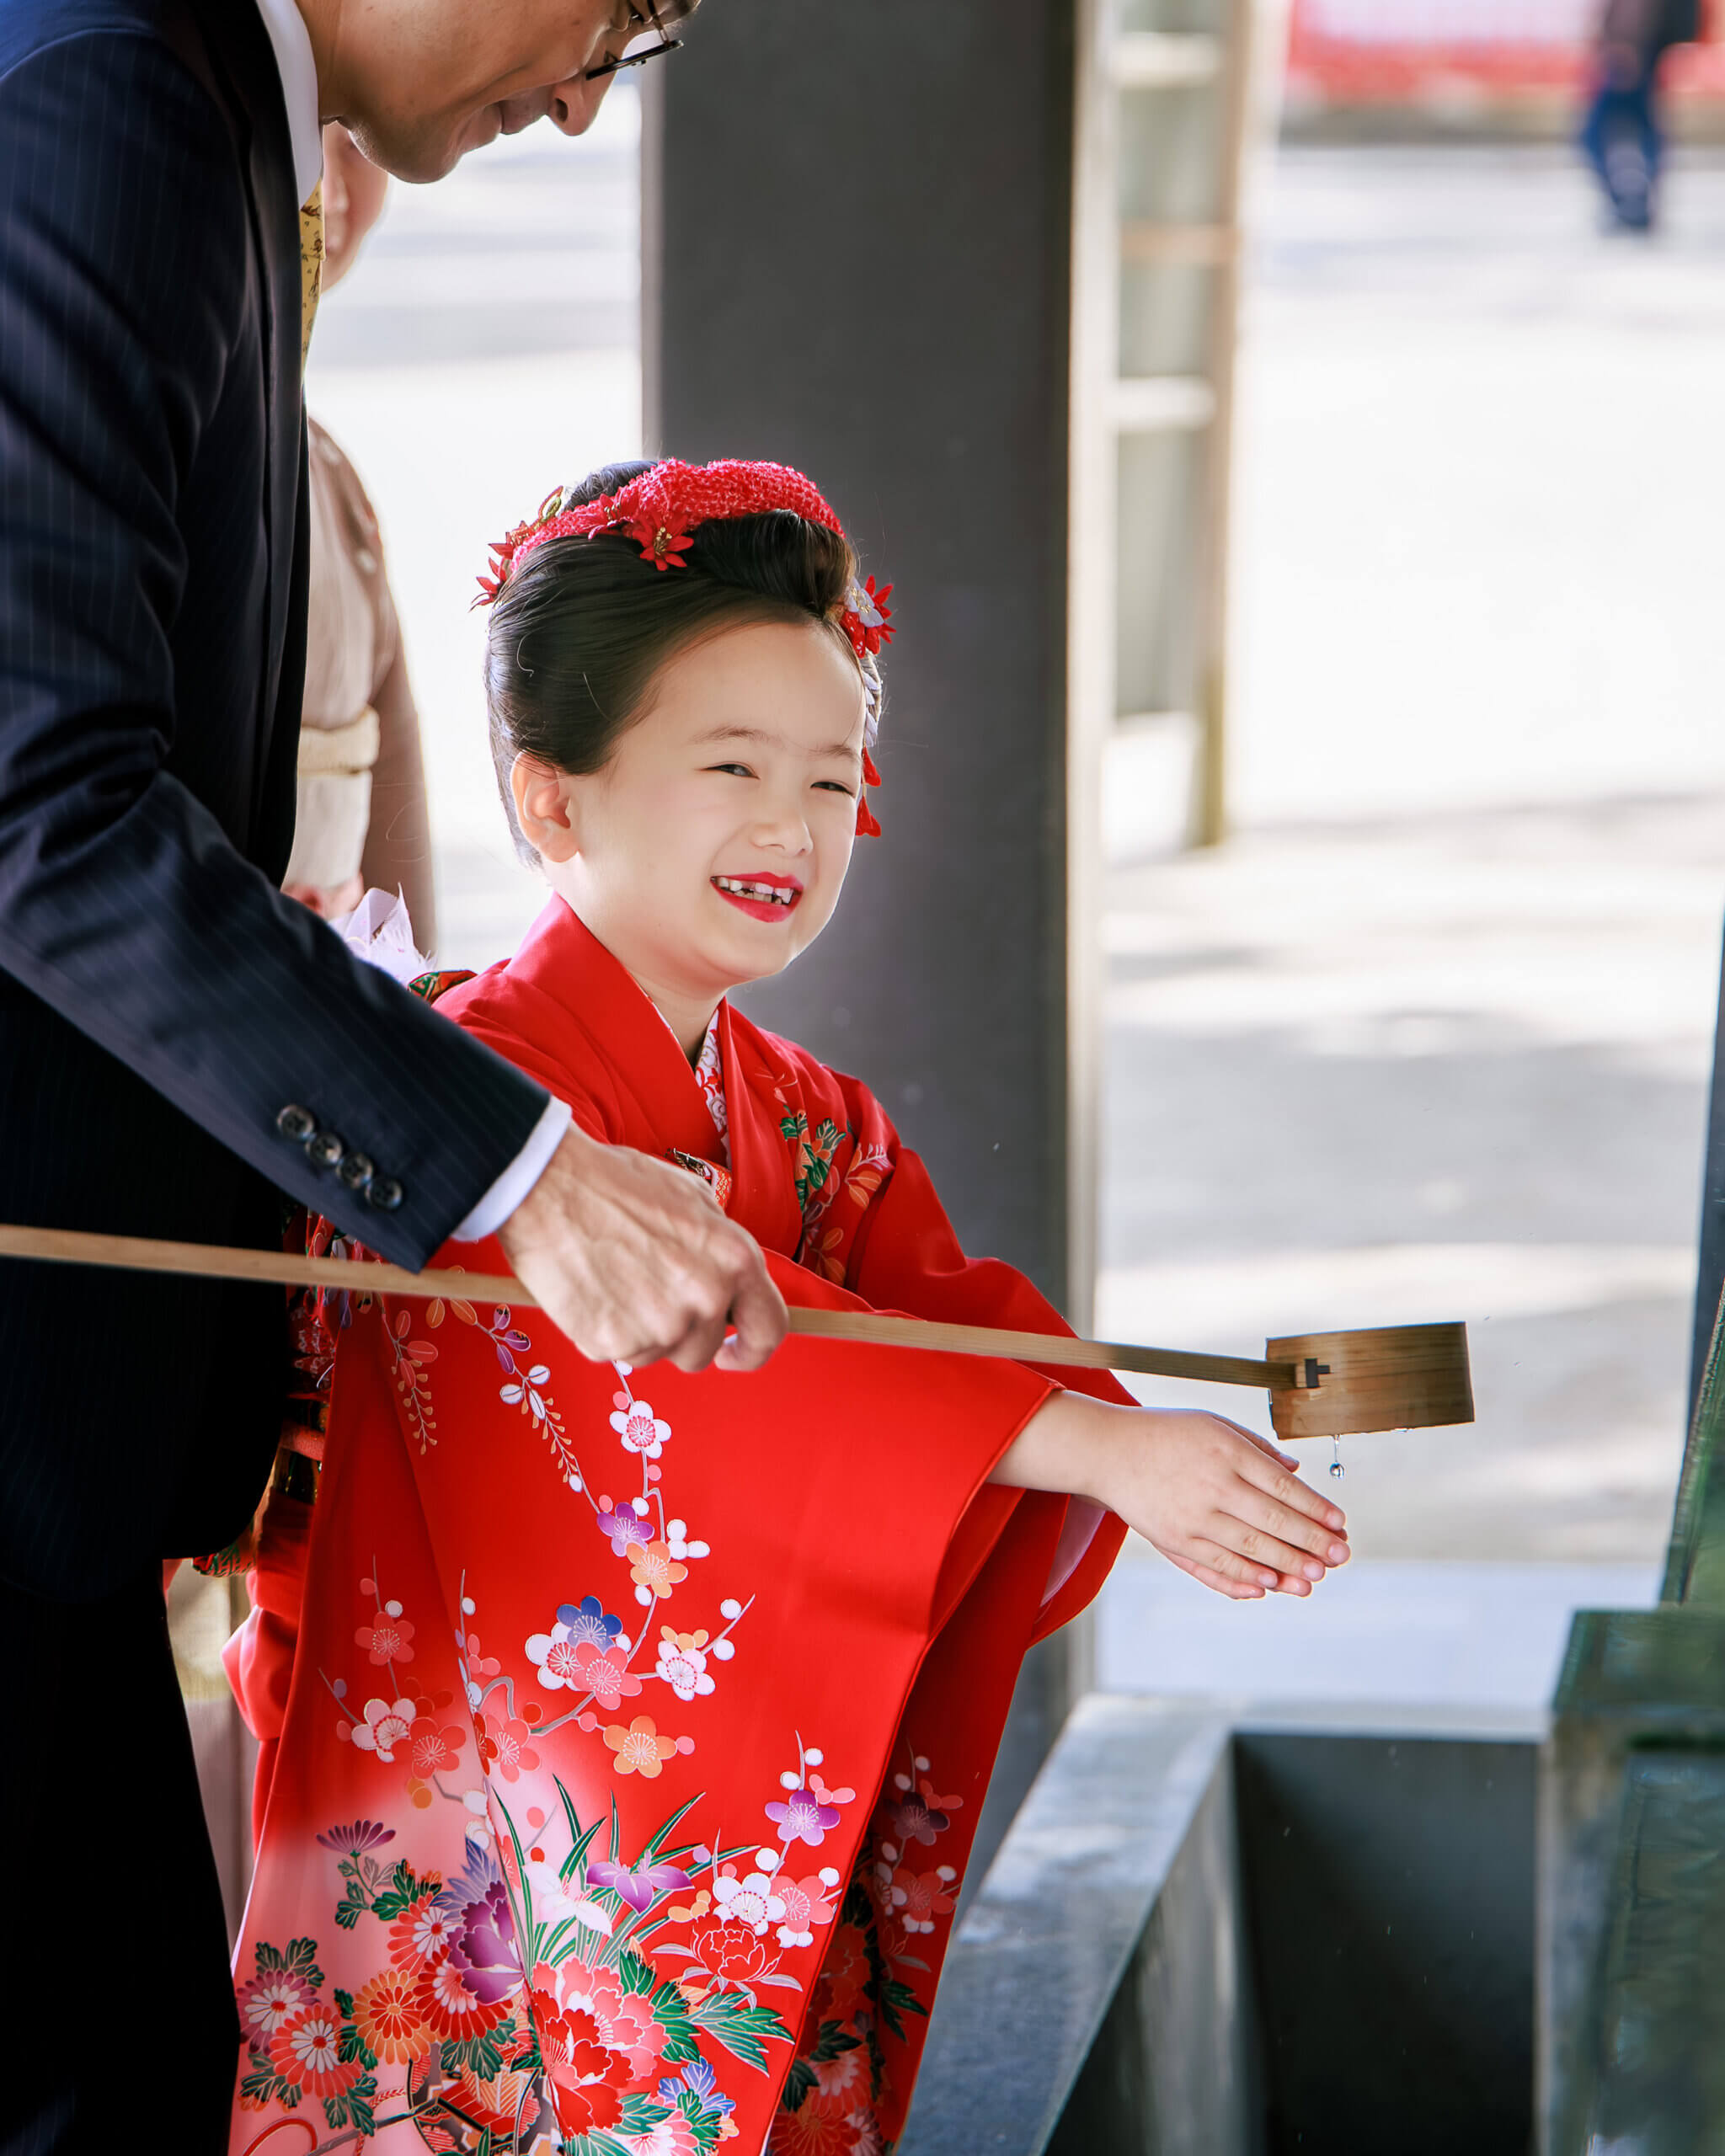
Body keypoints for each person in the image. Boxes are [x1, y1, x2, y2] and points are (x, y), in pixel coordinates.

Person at [225, 459, 1351, 2156]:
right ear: (552, 801)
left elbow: (943, 1329)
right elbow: (708, 1388)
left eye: (833, 777)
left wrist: (1113, 1435)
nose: (793, 824)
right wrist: (1101, 1454)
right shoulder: (461, 1105)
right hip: (478, 1845)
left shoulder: (810, 1117)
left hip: (706, 1835)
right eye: (732, 765)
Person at [0, 6, 767, 2152]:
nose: (591, 95)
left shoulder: (202, 105)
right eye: (618, 16)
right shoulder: (111, 93)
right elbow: (42, 798)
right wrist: (507, 1162)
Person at [287, 124, 440, 941]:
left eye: (357, 146)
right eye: (311, 141)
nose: (334, 193)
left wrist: (421, 1009)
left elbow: (394, 792)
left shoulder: (332, 475)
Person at [1580, 0, 1703, 231]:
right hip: (1642, 48)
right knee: (1641, 124)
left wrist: (1625, 44)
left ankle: (1632, 202)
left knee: (1596, 133)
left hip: (1631, 51)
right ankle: (1637, 202)